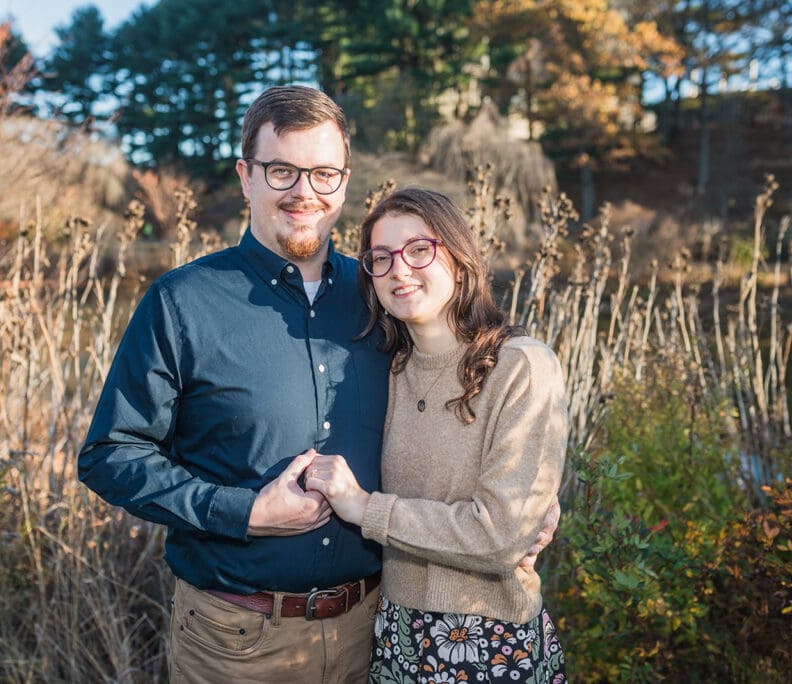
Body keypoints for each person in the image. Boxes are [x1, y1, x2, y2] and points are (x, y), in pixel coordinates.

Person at [78, 86, 556, 683]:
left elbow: (458, 392)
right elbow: (110, 456)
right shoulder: (181, 303)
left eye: (324, 173)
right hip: (234, 642)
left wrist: (525, 493)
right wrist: (243, 511)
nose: (305, 191)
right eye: (282, 170)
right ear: (246, 176)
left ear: (345, 182)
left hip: (378, 631)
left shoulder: (383, 290)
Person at [306, 188, 569, 683]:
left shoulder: (522, 367)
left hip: (491, 640)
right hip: (395, 636)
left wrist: (365, 508)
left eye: (419, 250)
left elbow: (498, 537)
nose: (399, 270)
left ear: (460, 259)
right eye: (380, 259)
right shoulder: (390, 369)